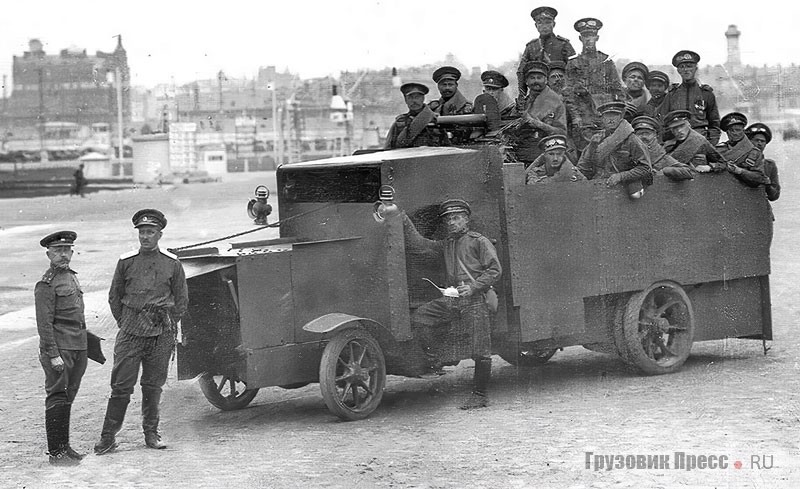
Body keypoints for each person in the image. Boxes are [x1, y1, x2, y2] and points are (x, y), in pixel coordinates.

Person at [94, 209, 188, 454]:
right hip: (131, 333)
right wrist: (127, 322)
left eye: (150, 232)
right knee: (121, 386)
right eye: (142, 232)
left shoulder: (172, 263)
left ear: (160, 234)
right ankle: (108, 437)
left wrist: (166, 323)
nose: (145, 237)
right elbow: (115, 297)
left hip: (161, 334)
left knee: (153, 385)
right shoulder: (126, 262)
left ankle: (151, 433)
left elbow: (181, 300)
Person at [396, 199, 501, 410]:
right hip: (452, 300)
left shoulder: (478, 241)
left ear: (466, 219)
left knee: (481, 350)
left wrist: (473, 287)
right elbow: (421, 245)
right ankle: (435, 360)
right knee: (421, 317)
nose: (451, 223)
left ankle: (479, 395)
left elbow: (494, 270)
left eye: (456, 218)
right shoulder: (448, 244)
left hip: (475, 300)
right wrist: (402, 218)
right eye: (448, 220)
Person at [35, 231, 87, 466]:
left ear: (73, 252)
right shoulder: (46, 284)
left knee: (68, 396)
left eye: (67, 250)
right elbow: (44, 324)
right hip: (59, 350)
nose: (63, 254)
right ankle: (56, 453)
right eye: (58, 251)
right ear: (48, 254)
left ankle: (65, 447)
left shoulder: (71, 277)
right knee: (57, 395)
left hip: (76, 346)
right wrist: (53, 354)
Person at [563, 18, 626, 153]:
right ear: (580, 38)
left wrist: (618, 116)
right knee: (585, 154)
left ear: (597, 37)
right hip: (583, 118)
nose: (588, 39)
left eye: (591, 36)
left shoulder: (606, 62)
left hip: (605, 116)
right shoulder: (573, 64)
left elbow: (618, 92)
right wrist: (576, 117)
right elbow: (569, 95)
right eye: (585, 36)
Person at [576, 101, 652, 198]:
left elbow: (646, 168)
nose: (611, 120)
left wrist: (621, 176)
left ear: (621, 117)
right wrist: (592, 146)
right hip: (598, 189)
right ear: (602, 119)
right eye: (607, 116)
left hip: (622, 191)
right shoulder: (597, 138)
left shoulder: (631, 140)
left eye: (615, 115)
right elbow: (583, 168)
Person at [508, 61, 567, 166]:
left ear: (546, 80)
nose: (536, 81)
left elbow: (562, 132)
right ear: (526, 81)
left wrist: (537, 124)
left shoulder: (555, 101)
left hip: (546, 153)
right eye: (532, 78)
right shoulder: (524, 102)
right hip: (522, 152)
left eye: (539, 78)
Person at [658, 50, 721, 145]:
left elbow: (715, 124)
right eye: (682, 67)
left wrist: (710, 144)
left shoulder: (706, 94)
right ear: (678, 71)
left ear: (696, 68)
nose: (686, 70)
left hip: (701, 141)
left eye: (689, 66)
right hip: (677, 142)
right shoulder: (672, 95)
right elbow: (662, 122)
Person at [516, 6, 576, 94]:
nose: (544, 26)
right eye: (540, 23)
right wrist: (522, 94)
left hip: (559, 92)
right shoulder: (531, 47)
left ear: (553, 24)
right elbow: (521, 72)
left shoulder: (563, 44)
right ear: (536, 25)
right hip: (538, 92)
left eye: (548, 23)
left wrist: (570, 92)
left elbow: (574, 69)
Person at [661, 109, 725, 180]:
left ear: (689, 125)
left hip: (697, 183)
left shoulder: (700, 141)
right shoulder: (668, 143)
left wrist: (710, 167)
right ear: (671, 130)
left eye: (682, 126)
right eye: (675, 128)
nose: (679, 131)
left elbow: (723, 163)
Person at [716, 112, 769, 187]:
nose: (735, 133)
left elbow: (759, 178)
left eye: (738, 130)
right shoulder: (718, 150)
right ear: (727, 133)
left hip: (744, 193)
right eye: (732, 130)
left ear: (743, 131)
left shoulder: (754, 152)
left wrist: (740, 171)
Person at [384, 83, 439, 149]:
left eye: (417, 97)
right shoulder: (399, 123)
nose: (414, 101)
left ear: (423, 98)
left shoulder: (435, 119)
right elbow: (389, 147)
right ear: (405, 100)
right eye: (410, 97)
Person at [746, 122, 780, 202]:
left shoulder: (769, 165)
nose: (759, 144)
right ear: (749, 142)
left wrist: (768, 185)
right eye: (756, 140)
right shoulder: (739, 161)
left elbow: (774, 196)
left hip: (760, 206)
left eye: (762, 141)